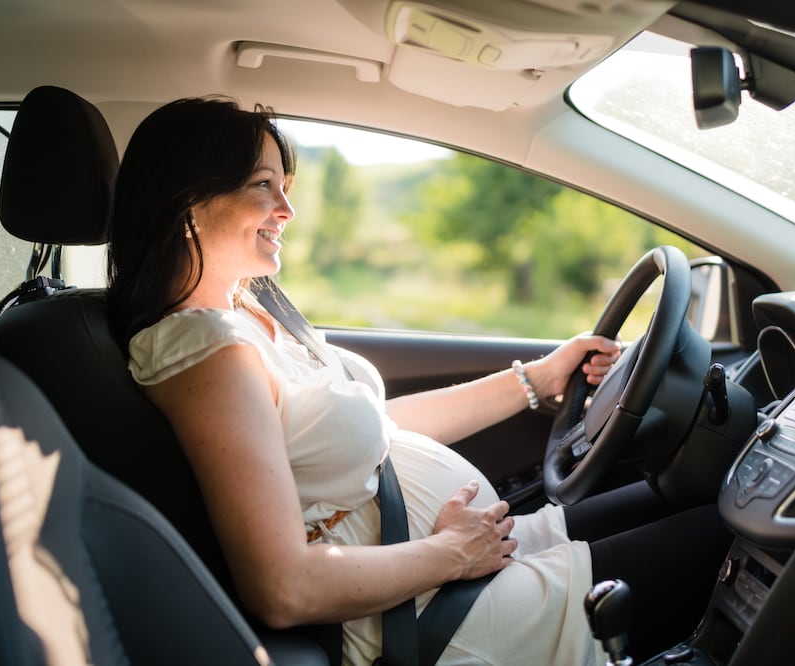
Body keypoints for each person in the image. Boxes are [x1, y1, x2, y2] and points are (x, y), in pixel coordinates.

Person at [107, 97, 730, 665]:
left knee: (698, 497)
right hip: (432, 616)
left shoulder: (248, 311)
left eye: (286, 186)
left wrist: (535, 381)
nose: (287, 209)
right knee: (727, 542)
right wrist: (452, 554)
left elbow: (379, 428)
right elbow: (283, 587)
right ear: (190, 198)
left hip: (459, 565)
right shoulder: (204, 350)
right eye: (263, 186)